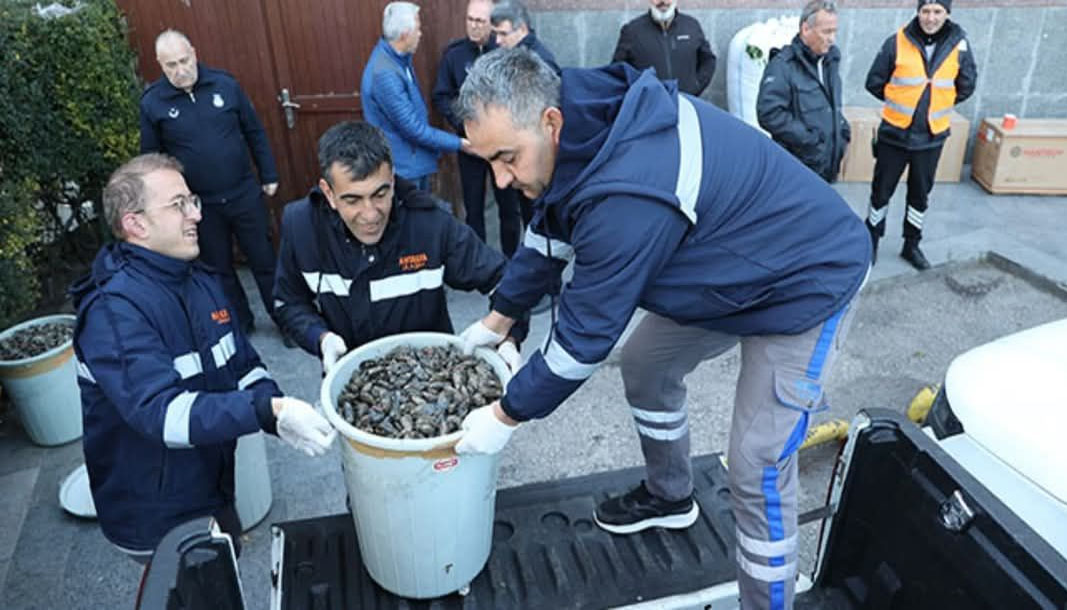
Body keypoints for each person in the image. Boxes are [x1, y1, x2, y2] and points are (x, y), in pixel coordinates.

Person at [453, 48, 870, 610]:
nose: (501, 180)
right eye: (489, 162)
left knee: (757, 465)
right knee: (647, 365)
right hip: (729, 267)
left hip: (806, 282)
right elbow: (549, 233)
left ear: (549, 124)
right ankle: (671, 494)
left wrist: (505, 415)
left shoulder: (628, 195)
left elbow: (581, 341)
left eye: (506, 158)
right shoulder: (577, 116)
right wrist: (498, 317)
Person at [71, 154, 336, 563]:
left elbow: (243, 365)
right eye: (178, 205)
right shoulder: (114, 310)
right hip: (155, 511)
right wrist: (269, 409)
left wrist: (275, 411)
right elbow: (162, 413)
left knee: (224, 579)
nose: (195, 213)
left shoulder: (199, 279)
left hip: (210, 489)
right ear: (135, 224)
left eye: (192, 200)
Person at [273, 121, 523, 374]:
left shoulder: (431, 224)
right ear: (328, 193)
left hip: (432, 378)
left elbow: (506, 282)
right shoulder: (301, 227)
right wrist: (321, 339)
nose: (370, 214)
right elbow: (289, 302)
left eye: (380, 194)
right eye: (353, 200)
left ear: (392, 180)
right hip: (350, 381)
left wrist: (507, 339)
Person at [140, 29, 280, 335]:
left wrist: (268, 173)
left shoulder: (225, 85)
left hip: (243, 192)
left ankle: (286, 322)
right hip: (200, 204)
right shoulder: (153, 103)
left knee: (265, 260)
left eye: (183, 60)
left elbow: (254, 131)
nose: (180, 71)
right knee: (219, 269)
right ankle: (241, 324)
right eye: (171, 66)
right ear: (160, 65)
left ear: (194, 52)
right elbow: (152, 160)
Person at [864, 0, 976, 269]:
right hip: (895, 134)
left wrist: (936, 103)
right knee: (880, 193)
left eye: (937, 11)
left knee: (920, 196)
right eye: (925, 11)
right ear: (918, 12)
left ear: (947, 13)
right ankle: (871, 242)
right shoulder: (897, 41)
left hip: (931, 137)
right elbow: (874, 82)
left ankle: (911, 245)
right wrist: (903, 100)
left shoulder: (959, 45)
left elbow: (967, 84)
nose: (931, 17)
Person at [433, 0, 522, 257]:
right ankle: (478, 261)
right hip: (470, 146)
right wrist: (465, 126)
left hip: (502, 146)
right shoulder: (454, 55)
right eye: (470, 19)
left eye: (479, 21)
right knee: (473, 207)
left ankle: (510, 259)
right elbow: (442, 95)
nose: (473, 26)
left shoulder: (505, 52)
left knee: (509, 206)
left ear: (492, 24)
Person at [361, 2, 469, 192]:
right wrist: (459, 144)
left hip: (413, 161)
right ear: (404, 34)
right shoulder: (385, 74)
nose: (420, 34)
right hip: (406, 168)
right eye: (418, 29)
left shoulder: (399, 58)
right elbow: (413, 129)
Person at [756, 0, 849, 182]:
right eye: (826, 32)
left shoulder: (830, 62)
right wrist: (810, 140)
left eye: (834, 31)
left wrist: (843, 131)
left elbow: (831, 106)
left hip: (827, 166)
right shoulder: (783, 66)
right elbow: (769, 113)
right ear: (806, 29)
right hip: (798, 169)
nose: (832, 39)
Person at [490, 0, 561, 228]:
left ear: (521, 29)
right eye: (495, 34)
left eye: (502, 34)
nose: (497, 41)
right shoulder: (516, 56)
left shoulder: (538, 60)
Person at [611, 0, 717, 97]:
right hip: (649, 110)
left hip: (685, 106)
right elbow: (616, 71)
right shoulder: (632, 31)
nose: (663, 2)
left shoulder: (691, 26)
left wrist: (695, 86)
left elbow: (708, 60)